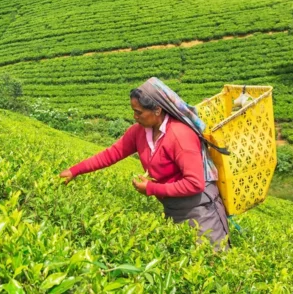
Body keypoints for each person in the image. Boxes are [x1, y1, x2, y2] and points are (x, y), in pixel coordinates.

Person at [59, 77, 230, 250]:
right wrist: (74, 171)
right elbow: (111, 154)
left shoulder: (180, 136)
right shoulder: (139, 132)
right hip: (172, 207)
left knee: (210, 259)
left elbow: (195, 184)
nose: (135, 117)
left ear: (157, 110)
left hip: (201, 210)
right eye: (133, 111)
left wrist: (151, 188)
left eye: (139, 112)